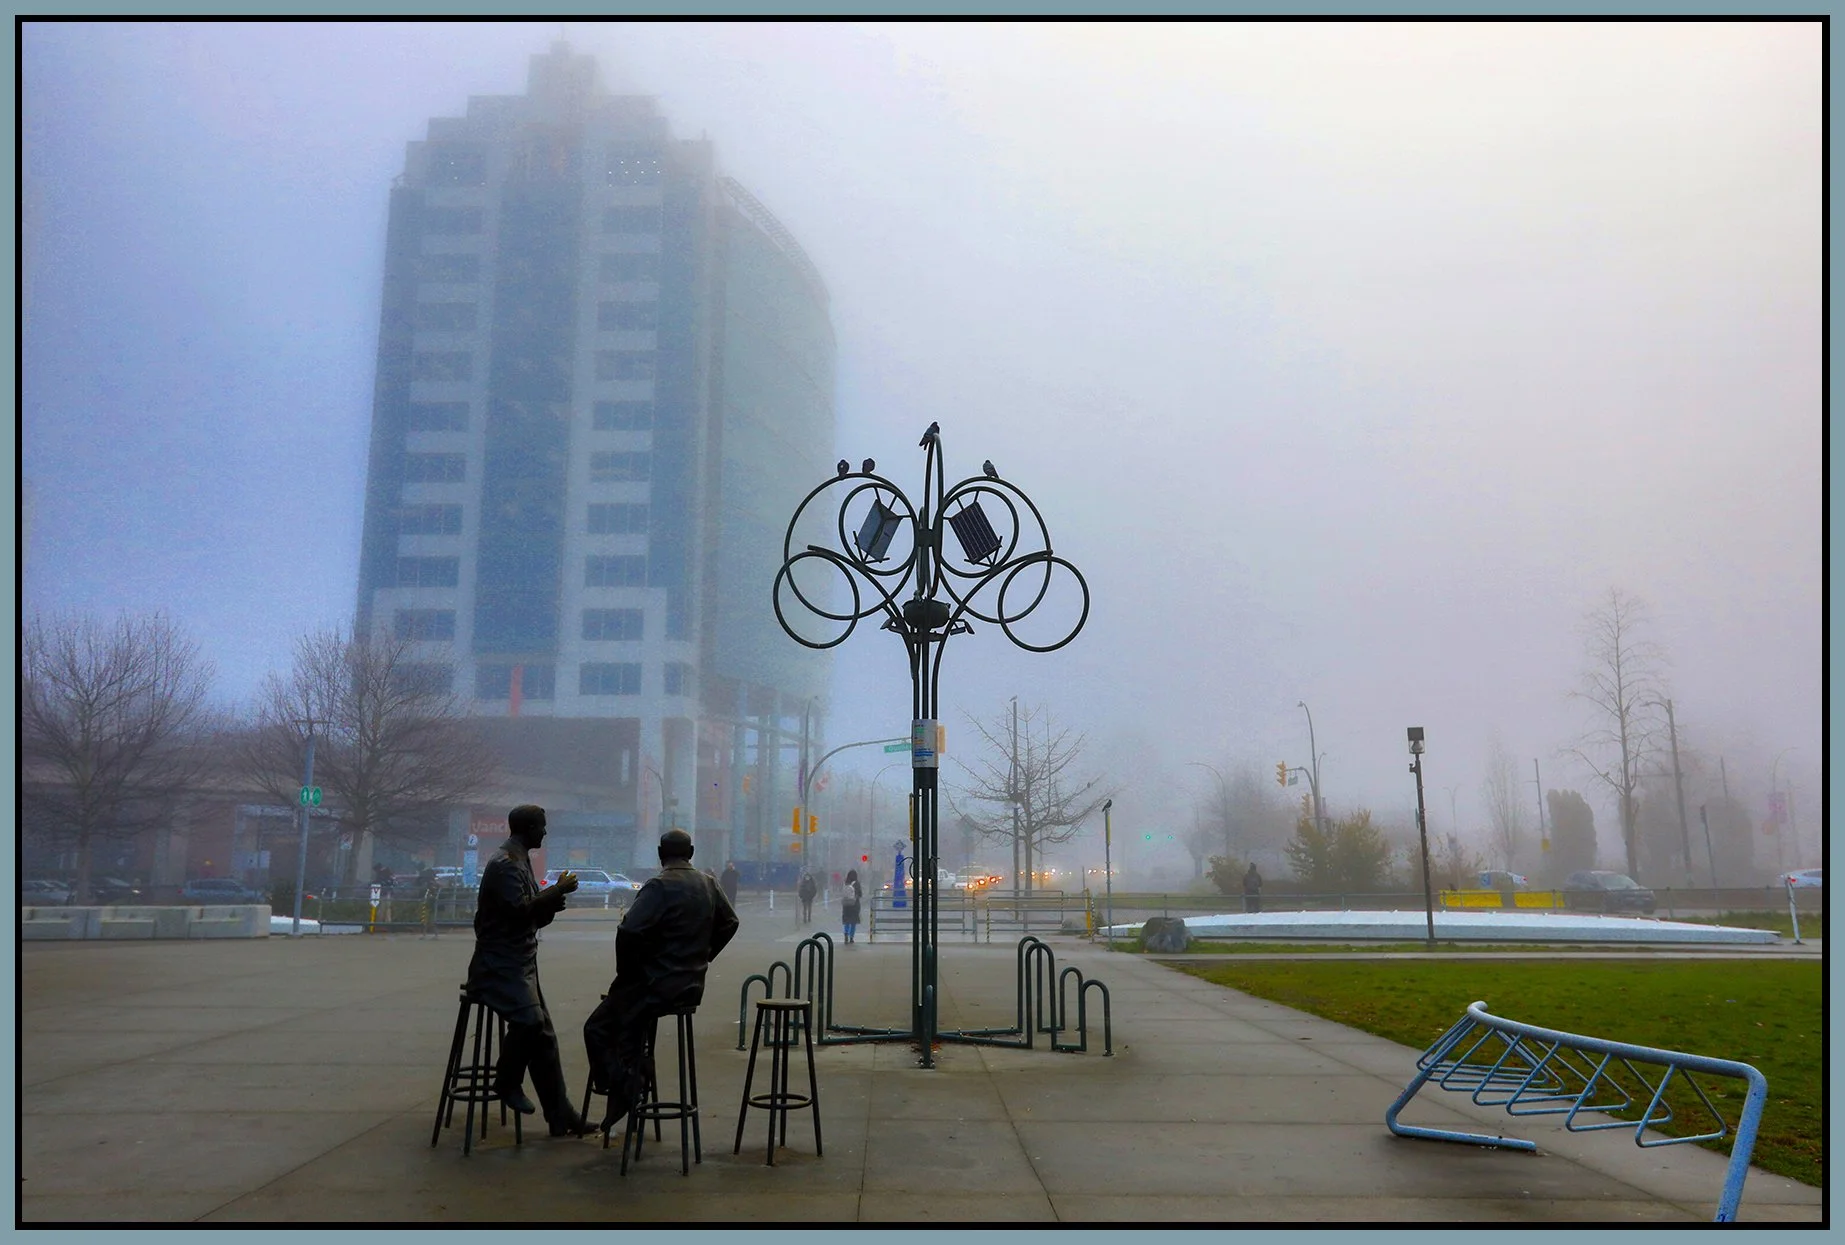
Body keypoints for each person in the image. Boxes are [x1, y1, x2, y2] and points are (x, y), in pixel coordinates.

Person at [583, 829, 739, 1133]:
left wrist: (626, 973)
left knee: (596, 1029)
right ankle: (636, 1072)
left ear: (659, 853)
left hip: (655, 985)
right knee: (629, 1025)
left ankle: (625, 1084)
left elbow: (628, 931)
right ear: (691, 853)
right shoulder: (708, 883)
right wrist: (704, 956)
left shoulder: (659, 886)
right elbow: (730, 922)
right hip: (690, 985)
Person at [466, 805, 589, 1137]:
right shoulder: (506, 864)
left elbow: (530, 916)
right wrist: (556, 891)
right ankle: (506, 1080)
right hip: (497, 966)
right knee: (531, 1022)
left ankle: (560, 1114)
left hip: (518, 963)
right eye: (541, 827)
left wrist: (549, 903)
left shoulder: (519, 860)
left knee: (544, 1037)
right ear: (529, 828)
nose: (545, 833)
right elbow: (519, 911)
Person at [840, 868, 863, 944]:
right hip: (854, 905)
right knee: (853, 922)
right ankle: (851, 937)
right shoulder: (857, 884)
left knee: (847, 921)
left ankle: (846, 934)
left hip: (846, 905)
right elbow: (860, 894)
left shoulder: (845, 883)